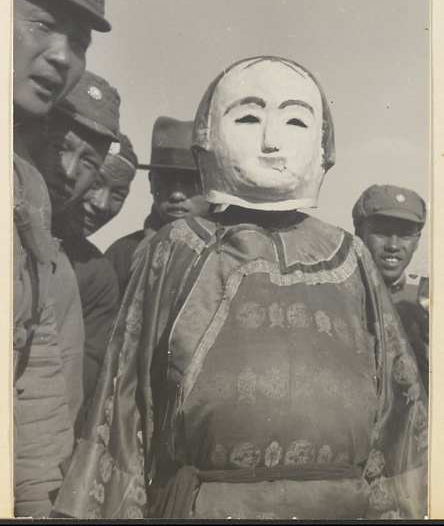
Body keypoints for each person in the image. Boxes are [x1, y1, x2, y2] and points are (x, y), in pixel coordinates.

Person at [54, 56, 427, 520]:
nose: (271, 141)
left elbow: (400, 412)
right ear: (207, 137)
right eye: (248, 118)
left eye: (294, 120)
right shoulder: (175, 248)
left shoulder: (353, 259)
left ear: (323, 144)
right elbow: (123, 398)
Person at [13, 0, 110, 517]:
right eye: (42, 24)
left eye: (78, 42)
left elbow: (40, 374)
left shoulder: (24, 186)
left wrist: (35, 505)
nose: (62, 56)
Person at [53, 129, 138, 414]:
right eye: (95, 183)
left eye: (118, 194)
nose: (101, 204)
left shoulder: (98, 275)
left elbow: (82, 374)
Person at [104, 117, 211, 297]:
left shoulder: (229, 252)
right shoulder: (123, 253)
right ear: (151, 182)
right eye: (166, 180)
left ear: (212, 185)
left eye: (191, 182)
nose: (177, 195)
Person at [352, 184, 429, 390]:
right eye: (382, 233)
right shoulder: (338, 298)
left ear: (417, 241)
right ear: (359, 233)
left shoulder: (426, 306)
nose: (393, 246)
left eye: (405, 235)